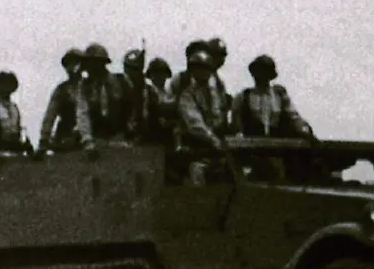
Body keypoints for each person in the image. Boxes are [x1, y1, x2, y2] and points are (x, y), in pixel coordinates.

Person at [175, 50, 231, 184]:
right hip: (196, 147)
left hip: (216, 146)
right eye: (198, 68)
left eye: (206, 68)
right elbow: (195, 124)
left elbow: (220, 116)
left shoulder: (215, 92)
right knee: (198, 173)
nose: (203, 72)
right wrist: (213, 139)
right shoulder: (187, 95)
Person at [231, 54, 316, 140]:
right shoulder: (243, 97)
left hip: (276, 145)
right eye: (258, 71)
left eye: (265, 72)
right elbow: (236, 124)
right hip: (251, 145)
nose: (261, 75)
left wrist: (304, 129)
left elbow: (293, 117)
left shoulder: (279, 96)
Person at [75, 42, 133, 148]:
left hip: (121, 139)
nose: (90, 67)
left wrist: (127, 132)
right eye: (88, 63)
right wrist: (87, 139)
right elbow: (82, 113)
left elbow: (132, 108)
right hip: (96, 141)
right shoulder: (84, 86)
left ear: (103, 63)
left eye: (95, 63)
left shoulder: (122, 81)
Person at [38, 47, 85, 152]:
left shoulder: (90, 86)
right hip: (66, 134)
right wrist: (44, 138)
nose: (72, 67)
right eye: (69, 63)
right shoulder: (61, 90)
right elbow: (50, 115)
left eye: (76, 62)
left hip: (88, 135)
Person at [0, 71, 33, 156]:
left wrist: (27, 145)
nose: (6, 88)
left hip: (16, 154)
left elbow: (20, 130)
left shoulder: (14, 108)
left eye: (10, 85)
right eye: (3, 85)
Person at [121, 49, 167, 145]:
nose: (134, 72)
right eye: (131, 68)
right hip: (121, 136)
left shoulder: (150, 91)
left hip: (145, 139)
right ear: (125, 68)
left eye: (137, 68)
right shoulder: (118, 85)